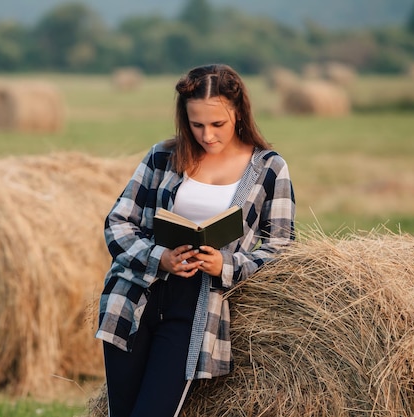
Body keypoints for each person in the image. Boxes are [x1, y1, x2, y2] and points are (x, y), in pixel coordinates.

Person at [95, 63, 295, 417]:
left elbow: (282, 247)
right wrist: (160, 256)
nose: (207, 135)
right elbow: (118, 223)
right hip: (134, 298)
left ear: (239, 113)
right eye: (196, 124)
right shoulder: (163, 156)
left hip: (197, 306)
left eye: (217, 124)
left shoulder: (268, 168)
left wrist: (227, 265)